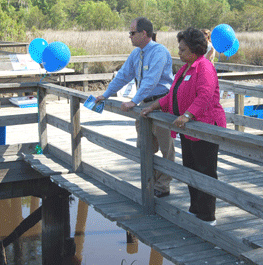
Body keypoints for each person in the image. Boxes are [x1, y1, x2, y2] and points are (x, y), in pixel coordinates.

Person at [140, 27, 226, 224]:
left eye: (182, 50)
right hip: (187, 129)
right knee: (190, 169)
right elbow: (172, 95)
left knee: (205, 171)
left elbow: (205, 95)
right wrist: (153, 106)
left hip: (205, 127)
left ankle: (207, 215)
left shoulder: (204, 67)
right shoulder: (185, 68)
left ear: (195, 50)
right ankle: (195, 208)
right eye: (179, 49)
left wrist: (187, 114)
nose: (178, 53)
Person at [95, 17, 175, 198]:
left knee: (166, 148)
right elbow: (123, 75)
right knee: (145, 145)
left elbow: (151, 80)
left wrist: (133, 101)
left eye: (132, 33)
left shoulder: (159, 52)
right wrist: (106, 94)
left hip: (162, 104)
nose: (129, 36)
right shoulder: (136, 54)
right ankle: (152, 182)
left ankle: (163, 186)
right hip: (145, 105)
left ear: (143, 33)